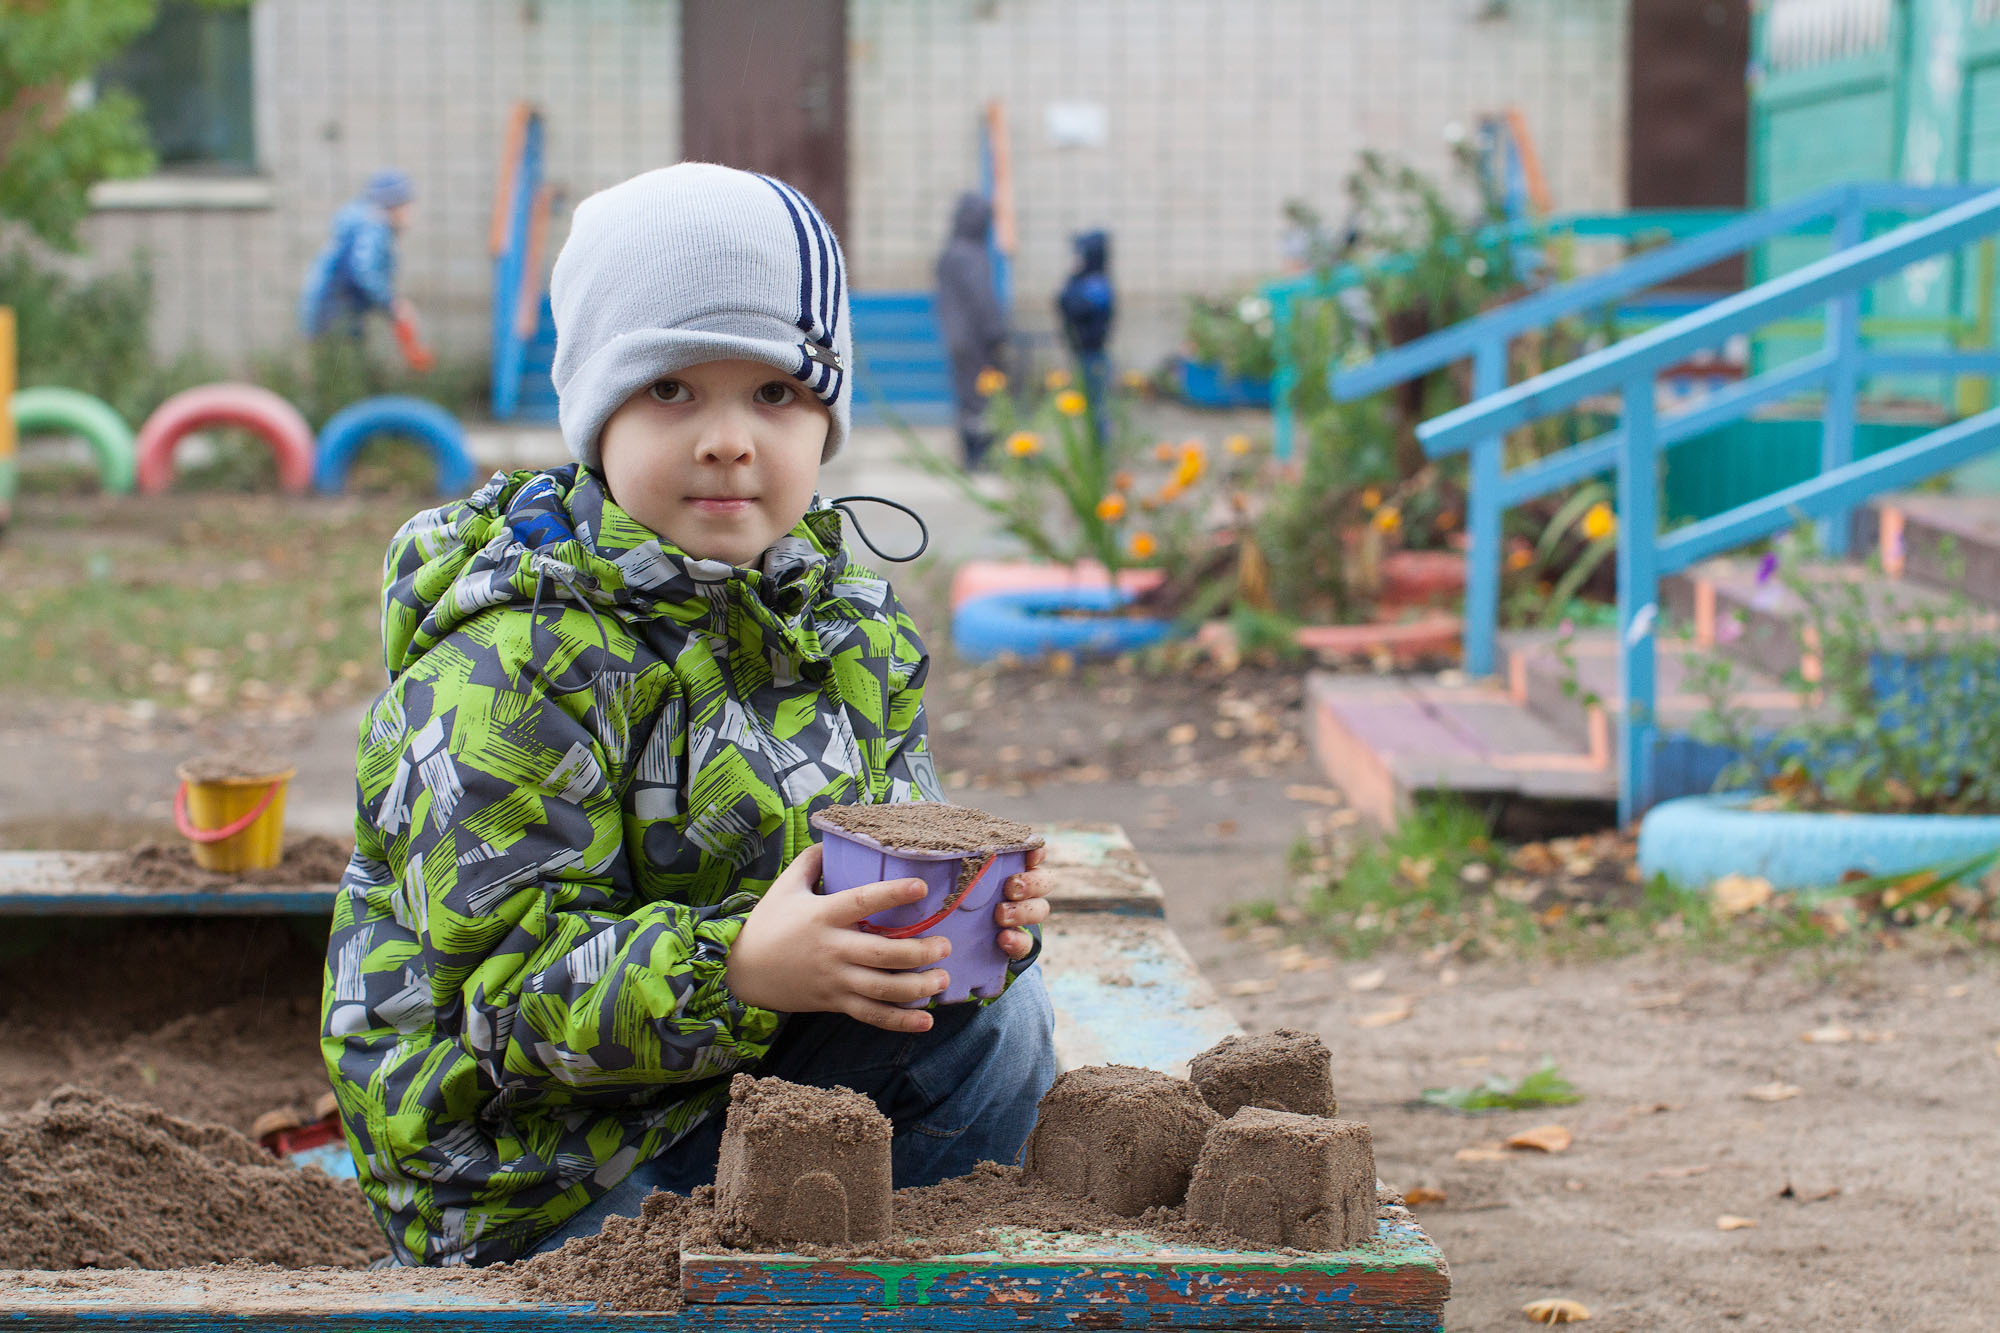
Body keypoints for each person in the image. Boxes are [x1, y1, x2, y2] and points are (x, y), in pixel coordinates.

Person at [319, 163, 1057, 1267]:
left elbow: (894, 840)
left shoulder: (832, 625)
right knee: (981, 1046)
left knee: (988, 1004)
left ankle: (934, 1268)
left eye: (774, 394)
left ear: (825, 419)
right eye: (671, 390)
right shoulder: (512, 661)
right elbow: (501, 1004)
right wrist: (739, 972)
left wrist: (967, 915)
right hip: (530, 1174)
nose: (727, 438)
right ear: (594, 413)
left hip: (709, 1088)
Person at [299, 168, 429, 367]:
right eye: (407, 204)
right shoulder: (374, 228)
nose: (410, 211)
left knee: (336, 366)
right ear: (393, 205)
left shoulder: (364, 225)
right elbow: (363, 271)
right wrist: (392, 304)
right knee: (340, 368)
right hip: (334, 312)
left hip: (331, 310)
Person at [933, 192, 1008, 468]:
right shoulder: (972, 256)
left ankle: (971, 454)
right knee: (982, 398)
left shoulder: (950, 253)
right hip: (977, 340)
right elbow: (983, 300)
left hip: (956, 338)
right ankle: (981, 456)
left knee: (966, 396)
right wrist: (997, 332)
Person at [1055, 229, 1114, 447]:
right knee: (1085, 408)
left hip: (1093, 357)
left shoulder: (1097, 286)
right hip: (1082, 355)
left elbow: (1071, 305)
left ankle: (1100, 454)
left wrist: (1072, 278)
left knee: (1097, 409)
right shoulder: (1086, 282)